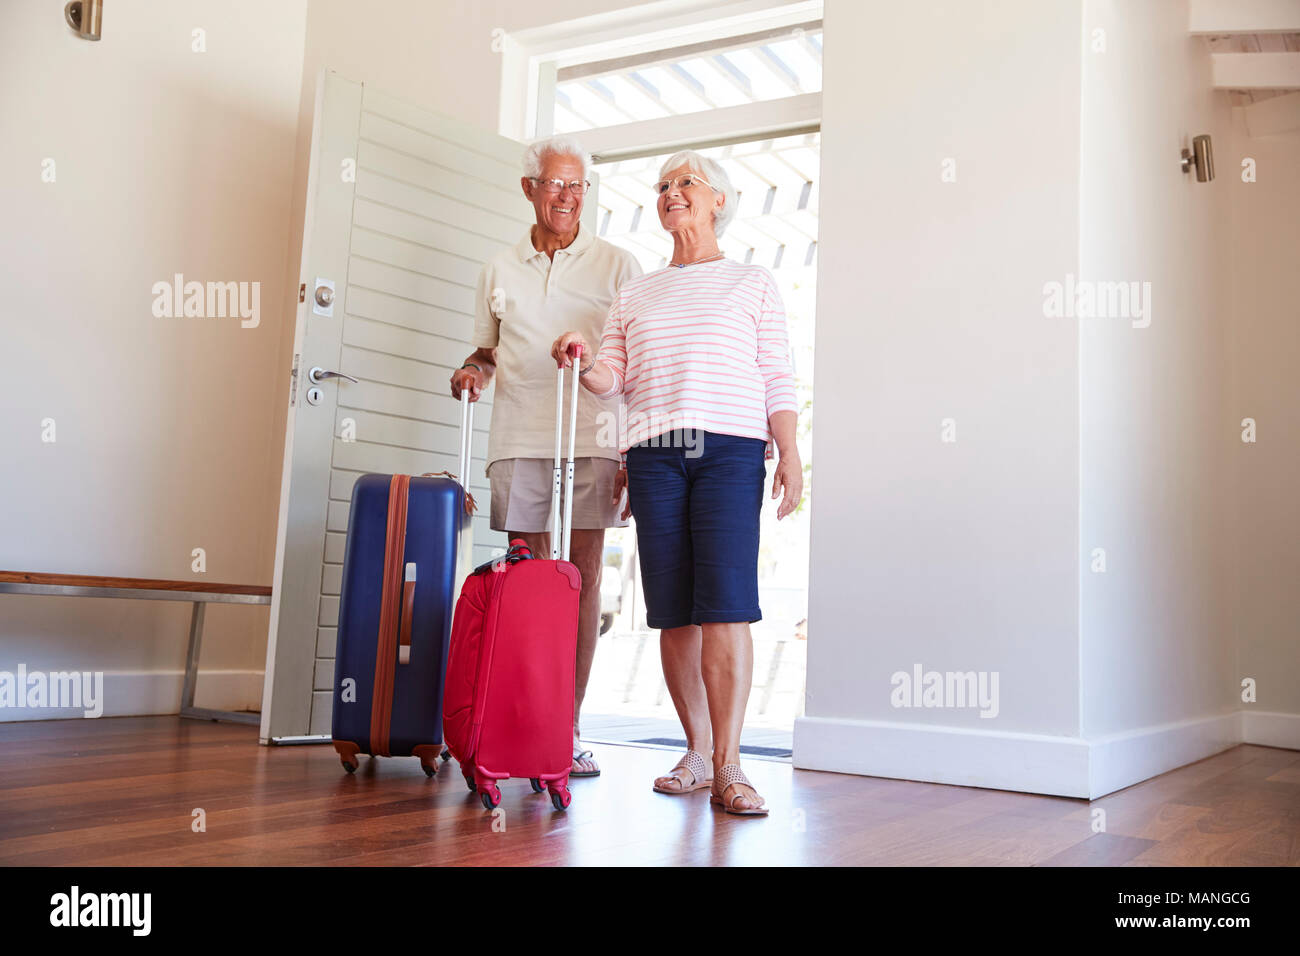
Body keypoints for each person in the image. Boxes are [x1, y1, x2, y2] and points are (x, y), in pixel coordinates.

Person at [550, 151, 803, 814]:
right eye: (662, 185)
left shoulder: (751, 282)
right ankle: (696, 753)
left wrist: (791, 453)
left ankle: (731, 764)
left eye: (685, 182)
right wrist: (579, 358)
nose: (670, 193)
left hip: (730, 450)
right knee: (673, 612)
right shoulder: (635, 291)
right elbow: (613, 377)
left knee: (724, 604)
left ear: (719, 199)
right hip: (655, 456)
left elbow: (776, 375)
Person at [451, 135, 641, 778]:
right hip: (520, 437)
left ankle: (567, 727)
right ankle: (523, 721)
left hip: (592, 439)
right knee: (529, 581)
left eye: (577, 186)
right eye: (556, 184)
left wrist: (631, 453)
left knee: (579, 581)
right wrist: (473, 370)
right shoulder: (498, 269)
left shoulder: (618, 266)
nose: (567, 197)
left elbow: (635, 366)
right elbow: (486, 350)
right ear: (530, 189)